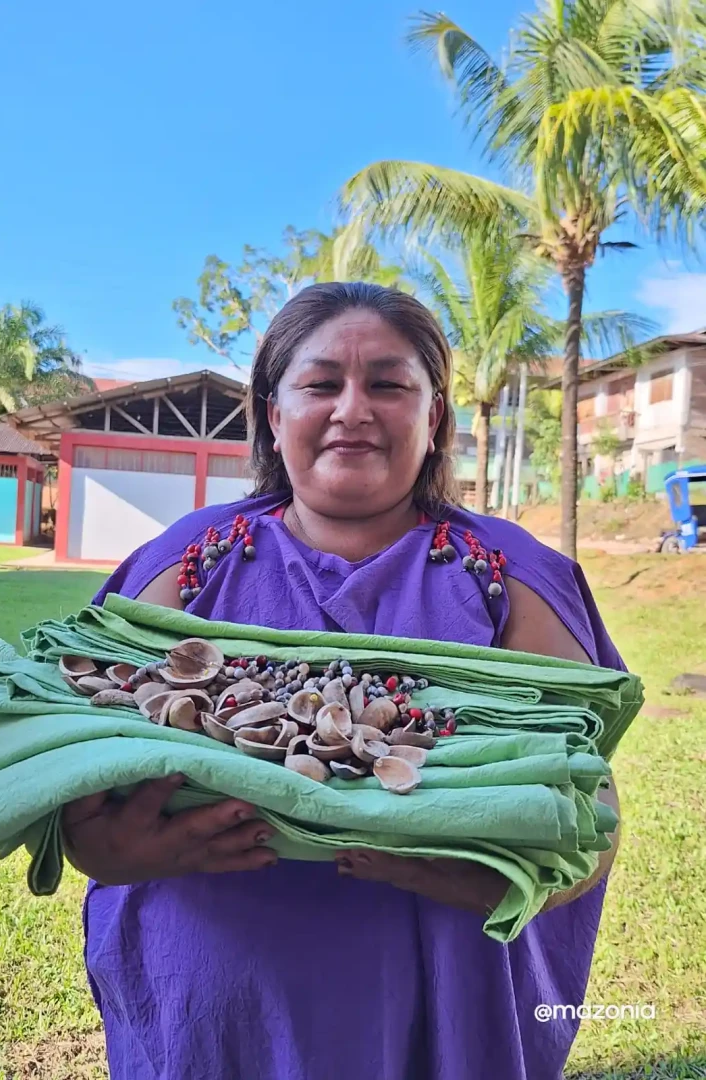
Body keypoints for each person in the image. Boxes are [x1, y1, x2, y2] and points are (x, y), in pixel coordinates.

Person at [63, 282, 622, 1080]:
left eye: (389, 384)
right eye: (322, 384)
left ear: (432, 417)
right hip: (213, 1017)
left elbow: (590, 806)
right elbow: (77, 766)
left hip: (442, 1007)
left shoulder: (514, 579)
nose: (353, 410)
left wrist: (523, 878)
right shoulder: (183, 569)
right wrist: (100, 850)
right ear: (271, 411)